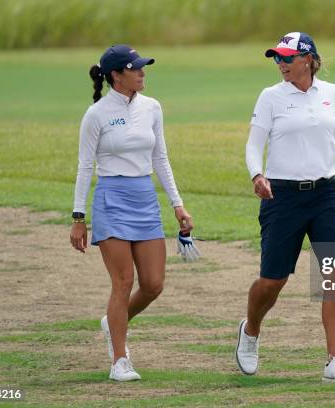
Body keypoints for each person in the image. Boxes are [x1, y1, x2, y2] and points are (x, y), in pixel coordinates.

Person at [236, 32, 335, 382]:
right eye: (277, 59)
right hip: (282, 196)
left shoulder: (331, 93)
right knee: (272, 281)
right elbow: (254, 144)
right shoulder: (271, 97)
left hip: (326, 193)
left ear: (308, 59)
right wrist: (257, 175)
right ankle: (250, 331)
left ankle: (334, 360)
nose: (281, 64)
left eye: (287, 58)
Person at [69, 45, 196, 381]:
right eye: (135, 68)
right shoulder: (96, 114)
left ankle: (112, 321)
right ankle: (120, 361)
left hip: (144, 199)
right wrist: (78, 218)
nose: (142, 73)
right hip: (112, 198)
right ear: (116, 76)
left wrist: (177, 204)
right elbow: (85, 166)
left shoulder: (152, 108)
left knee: (153, 284)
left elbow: (160, 158)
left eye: (143, 67)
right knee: (123, 282)